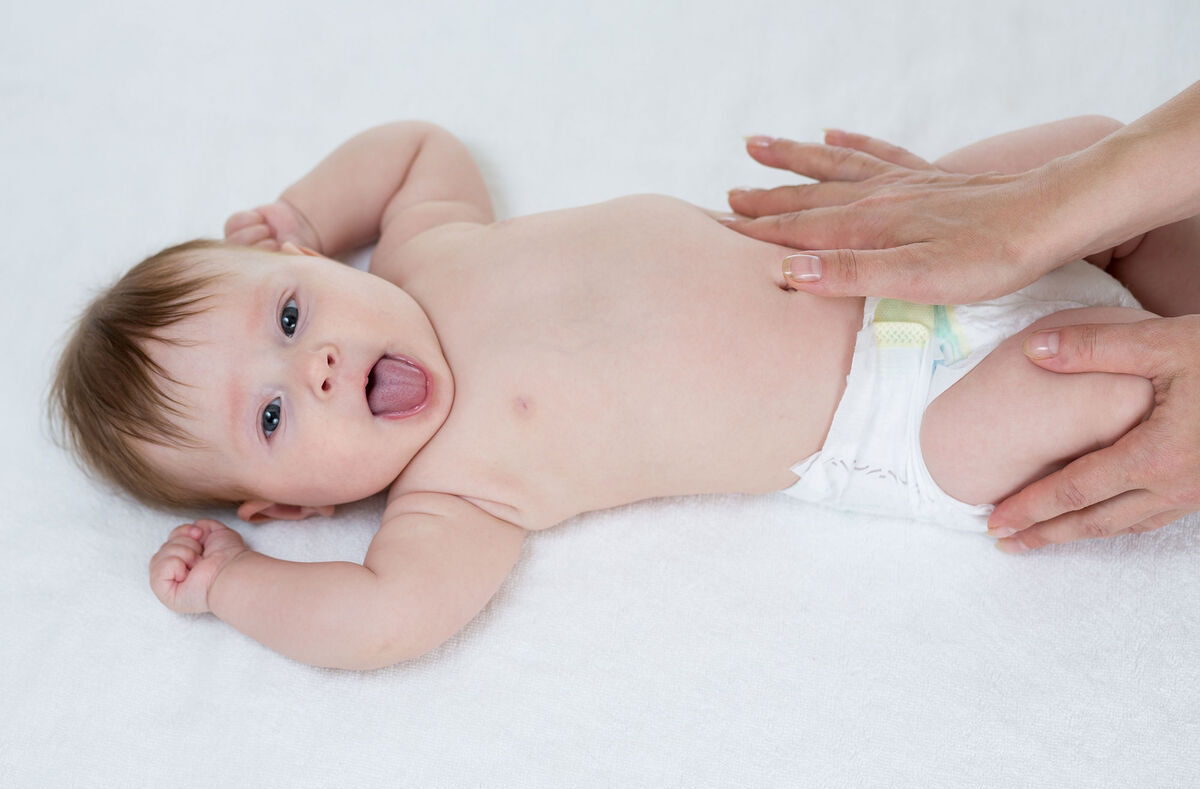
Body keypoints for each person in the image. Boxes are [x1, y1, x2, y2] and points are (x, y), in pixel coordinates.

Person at [51, 117, 1178, 670]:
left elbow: (412, 146)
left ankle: (1150, 265)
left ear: (319, 271)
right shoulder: (455, 497)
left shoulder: (430, 249)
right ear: (286, 506)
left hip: (896, 245)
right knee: (1087, 378)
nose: (319, 365)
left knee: (1089, 159)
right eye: (273, 415)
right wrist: (234, 589)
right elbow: (381, 621)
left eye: (291, 313)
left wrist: (302, 208)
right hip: (896, 413)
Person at [725, 81, 1200, 553]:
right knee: (1097, 139)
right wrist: (1045, 204)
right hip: (961, 238)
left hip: (918, 397)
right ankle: (1046, 202)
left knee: (1129, 397)